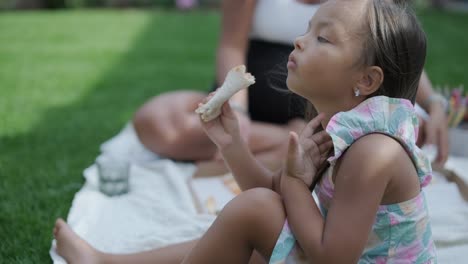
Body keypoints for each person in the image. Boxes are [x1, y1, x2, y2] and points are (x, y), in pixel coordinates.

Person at [53, 0, 437, 262]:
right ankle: (104, 260)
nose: (300, 41)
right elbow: (274, 191)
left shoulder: (375, 152)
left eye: (322, 38)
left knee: (256, 213)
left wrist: (294, 185)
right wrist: (234, 146)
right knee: (256, 219)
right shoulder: (331, 127)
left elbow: (332, 256)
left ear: (366, 80)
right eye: (307, 30)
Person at [133, 0, 449, 168]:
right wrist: (239, 114)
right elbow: (231, 43)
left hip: (329, 111)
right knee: (156, 121)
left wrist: (432, 101)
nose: (299, 41)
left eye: (321, 37)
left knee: (399, 137)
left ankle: (297, 145)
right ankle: (287, 141)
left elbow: (392, 53)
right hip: (253, 106)